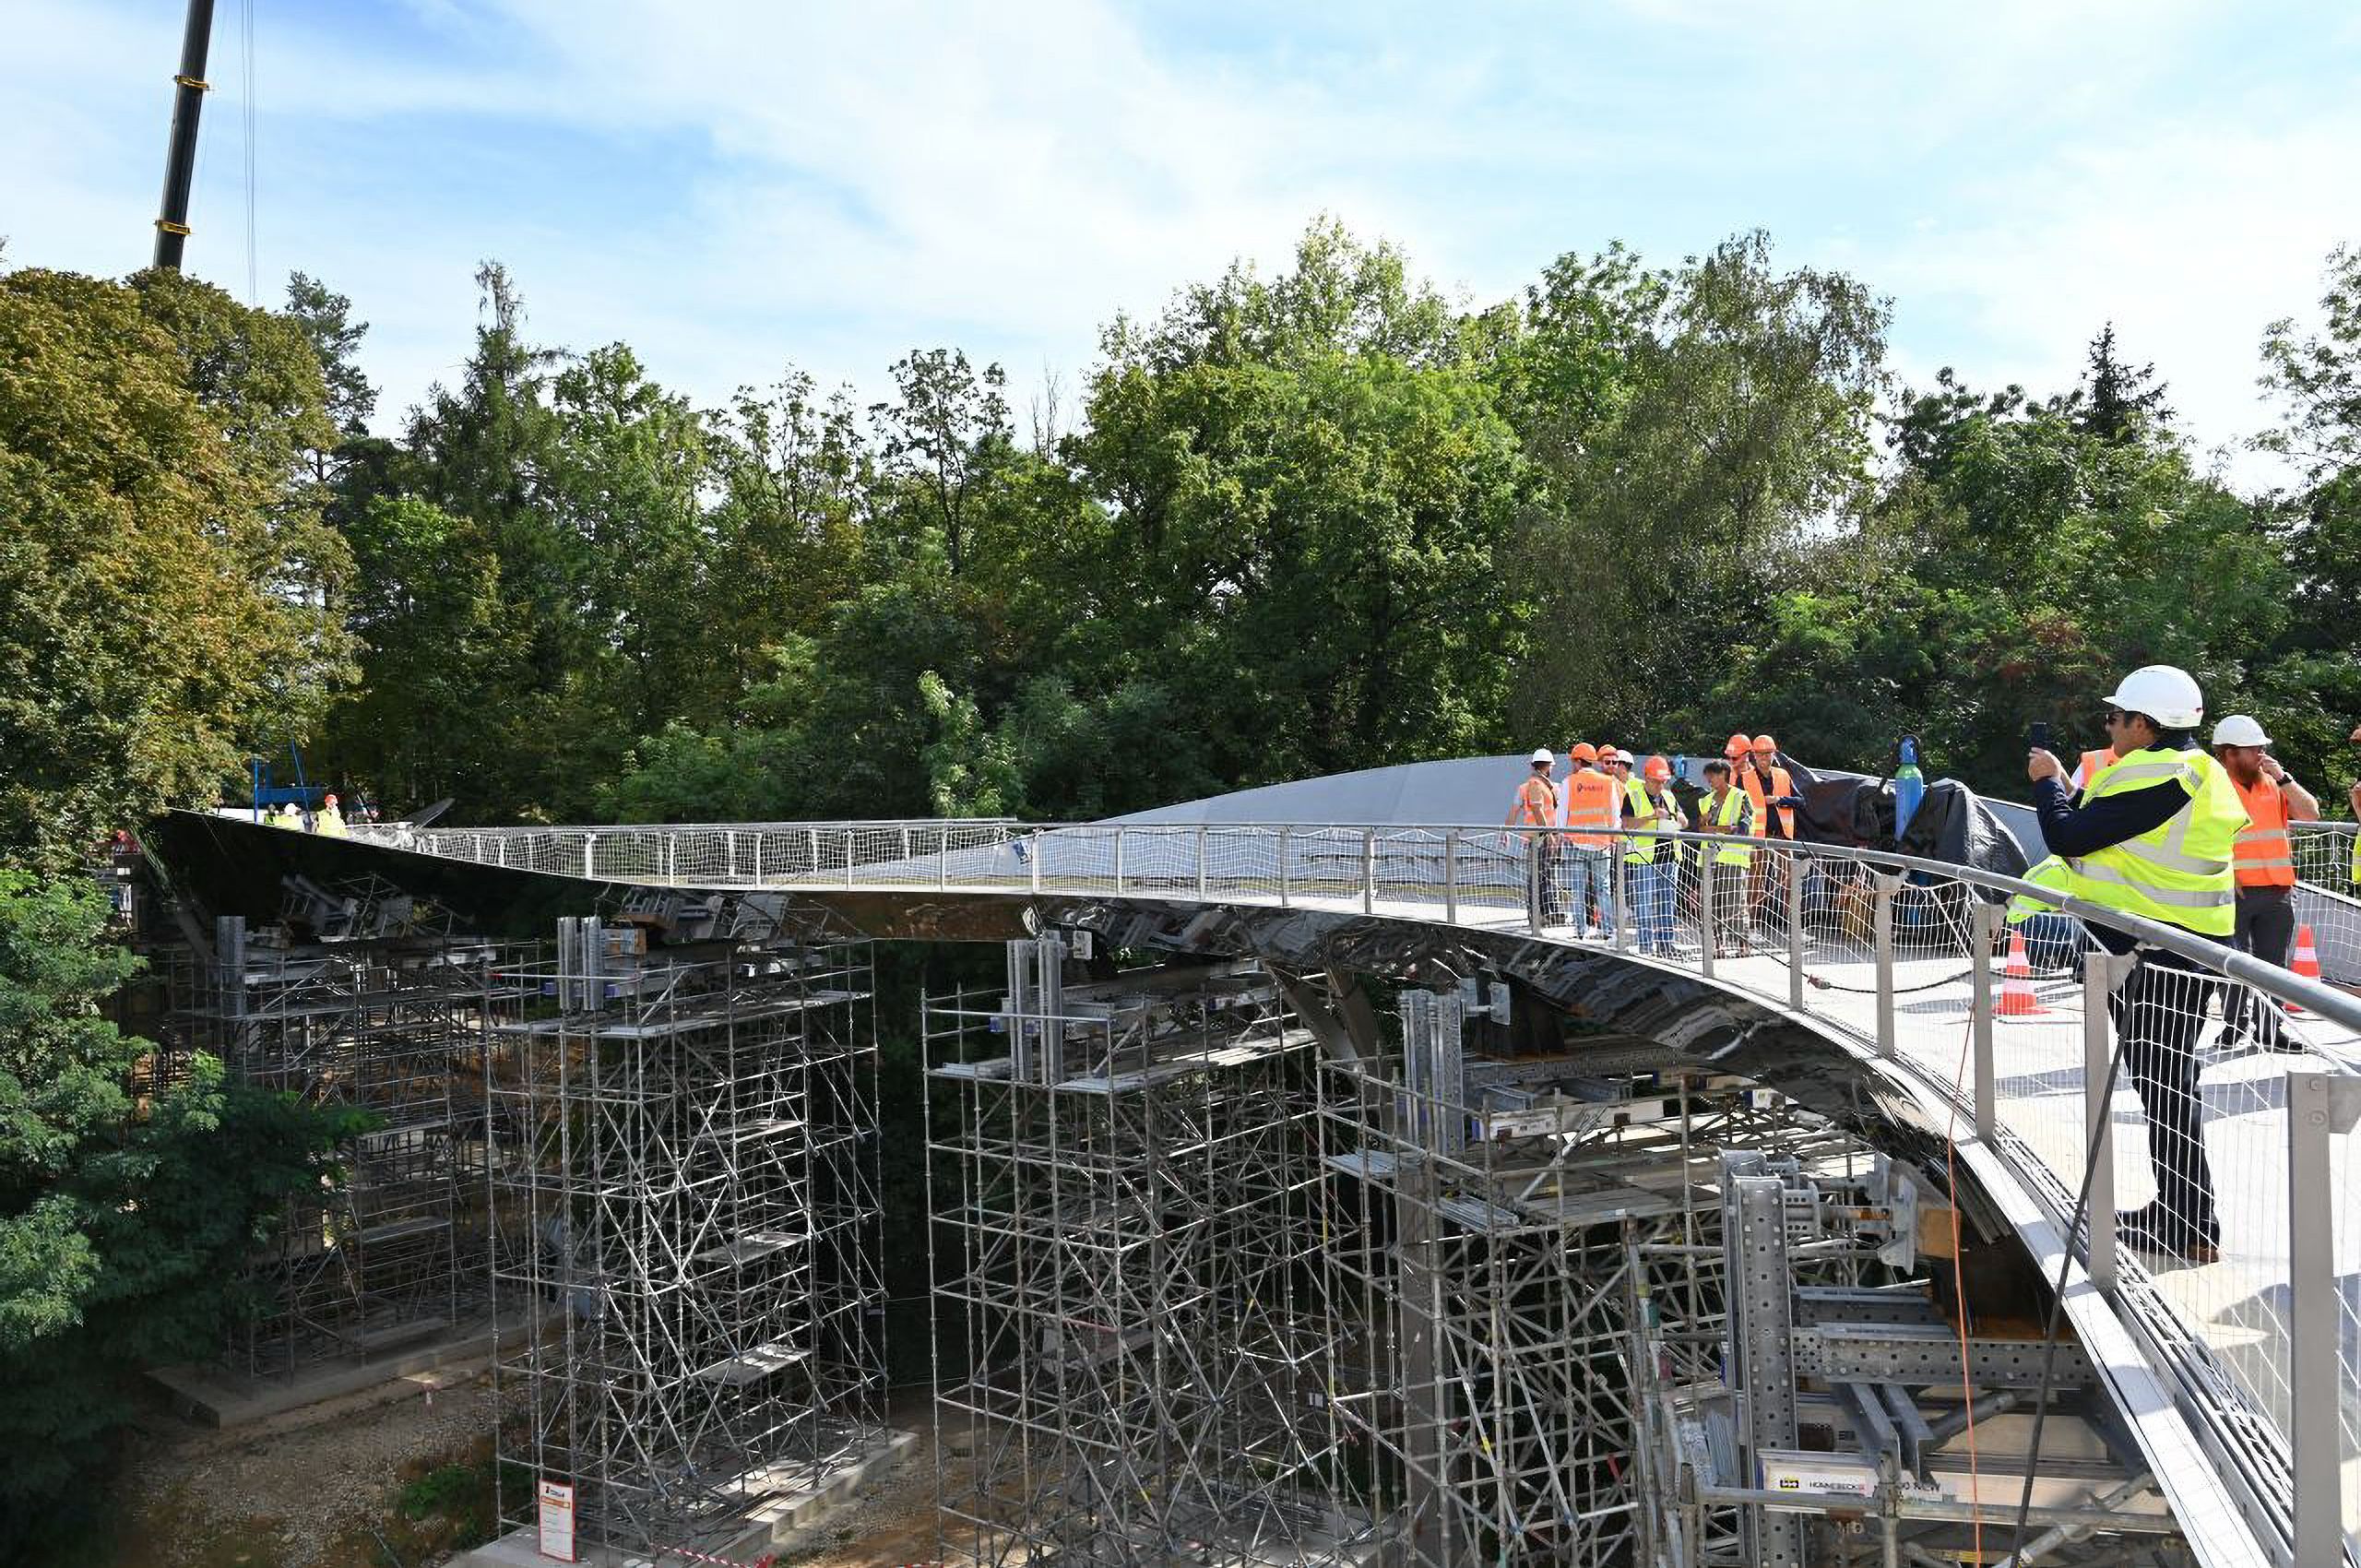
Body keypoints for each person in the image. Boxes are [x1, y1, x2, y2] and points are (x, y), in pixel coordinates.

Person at [2018, 664, 2245, 1265]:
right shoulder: (2192, 769)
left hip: (2162, 954)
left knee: (2167, 1086)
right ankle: (2178, 1210)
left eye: (2115, 716)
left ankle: (2190, 1222)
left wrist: (2046, 783)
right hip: (2177, 949)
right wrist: (2066, 784)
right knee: (2163, 1083)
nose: (2108, 724)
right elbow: (2113, 837)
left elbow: (2069, 838)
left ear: (2144, 725)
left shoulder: (2160, 773)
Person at [2213, 715, 2318, 1052]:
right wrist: (2225, 874)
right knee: (2232, 964)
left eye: (2261, 748)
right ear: (2229, 753)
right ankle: (2233, 1025)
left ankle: (2270, 1030)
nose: (2260, 754)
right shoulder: (2211, 784)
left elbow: (2311, 813)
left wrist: (2284, 778)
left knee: (2274, 968)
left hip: (2276, 892)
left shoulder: (2274, 782)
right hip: (2232, 892)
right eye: (2252, 749)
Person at [1692, 759, 1755, 957]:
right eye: (1707, 776)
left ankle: (1743, 944)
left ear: (1724, 775)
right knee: (1710, 903)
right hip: (1708, 859)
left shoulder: (1741, 797)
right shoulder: (1705, 800)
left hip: (1733, 859)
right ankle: (1716, 945)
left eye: (1713, 775)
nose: (1709, 779)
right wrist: (1713, 828)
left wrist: (1714, 829)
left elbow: (1742, 829)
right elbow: (1701, 829)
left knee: (1734, 903)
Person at [1624, 754, 1687, 955]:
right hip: (1644, 858)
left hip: (1669, 858)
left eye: (1663, 782)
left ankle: (1666, 944)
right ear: (1646, 777)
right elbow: (1626, 824)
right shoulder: (1633, 795)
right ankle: (1645, 945)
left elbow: (1684, 822)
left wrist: (1675, 817)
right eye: (1656, 781)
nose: (1660, 785)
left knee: (1667, 903)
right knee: (1644, 903)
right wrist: (1651, 816)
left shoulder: (1669, 797)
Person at [1561, 743, 1621, 939]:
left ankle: (1581, 931)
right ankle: (1607, 931)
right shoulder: (1608, 782)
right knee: (1603, 889)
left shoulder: (1568, 782)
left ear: (1578, 761)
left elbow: (1561, 817)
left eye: (1573, 761)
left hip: (1575, 843)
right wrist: (1612, 838)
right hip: (1602, 844)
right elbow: (1615, 814)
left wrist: (1564, 836)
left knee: (1578, 889)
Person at [1505, 749, 1560, 919]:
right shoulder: (1540, 786)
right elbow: (1538, 810)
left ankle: (1545, 911)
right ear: (1549, 766)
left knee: (1543, 874)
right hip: (1542, 838)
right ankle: (1540, 912)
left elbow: (1513, 812)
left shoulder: (1525, 787)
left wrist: (1507, 831)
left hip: (1536, 837)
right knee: (1543, 875)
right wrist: (1550, 834)